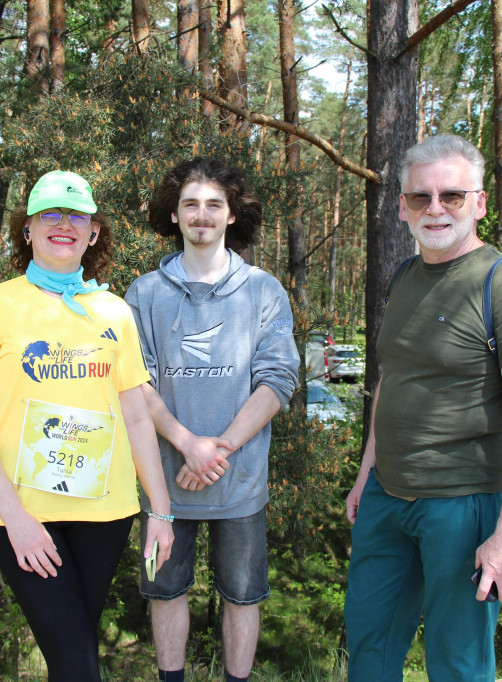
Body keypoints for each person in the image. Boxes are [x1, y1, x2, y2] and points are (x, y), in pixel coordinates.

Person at [343, 135, 502, 682]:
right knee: (369, 650)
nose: (435, 209)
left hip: (463, 505)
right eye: (420, 197)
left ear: (479, 203)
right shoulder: (403, 277)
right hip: (386, 498)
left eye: (451, 196)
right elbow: (392, 378)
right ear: (402, 207)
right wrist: (367, 471)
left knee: (458, 663)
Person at [0, 170, 174, 681]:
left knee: (73, 657)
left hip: (105, 515)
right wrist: (17, 521)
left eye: (77, 216)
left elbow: (137, 414)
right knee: (78, 665)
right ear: (26, 229)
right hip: (23, 515)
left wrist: (160, 512)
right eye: (50, 213)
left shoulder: (115, 312)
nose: (64, 224)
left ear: (93, 233)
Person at [124, 158, 300, 682]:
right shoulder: (144, 295)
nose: (202, 215)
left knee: (244, 596)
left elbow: (278, 382)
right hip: (164, 488)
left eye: (214, 205)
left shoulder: (263, 291)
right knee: (165, 590)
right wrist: (187, 443)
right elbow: (136, 386)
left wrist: (216, 448)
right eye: (190, 205)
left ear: (231, 215)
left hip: (239, 484)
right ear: (174, 216)